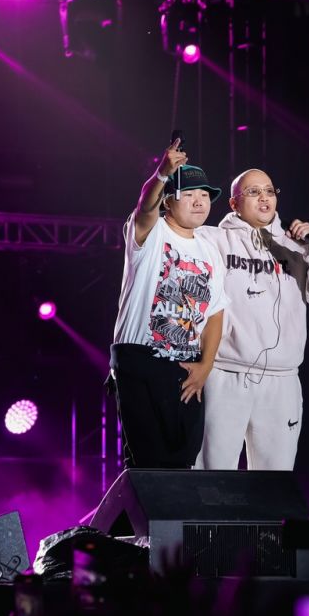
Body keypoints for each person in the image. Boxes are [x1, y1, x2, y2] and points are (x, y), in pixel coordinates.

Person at [196, 168, 309, 471]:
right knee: (213, 475)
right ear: (234, 203)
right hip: (225, 374)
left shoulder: (295, 245)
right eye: (253, 192)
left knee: (275, 480)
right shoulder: (214, 240)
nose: (264, 197)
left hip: (282, 379)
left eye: (270, 191)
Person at [106, 137, 228, 469]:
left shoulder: (209, 249)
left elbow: (216, 312)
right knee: (148, 464)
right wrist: (161, 174)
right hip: (141, 357)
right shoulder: (151, 231)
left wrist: (206, 366)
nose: (199, 201)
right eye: (189, 194)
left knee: (184, 462)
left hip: (186, 364)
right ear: (168, 202)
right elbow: (146, 206)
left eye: (205, 195)